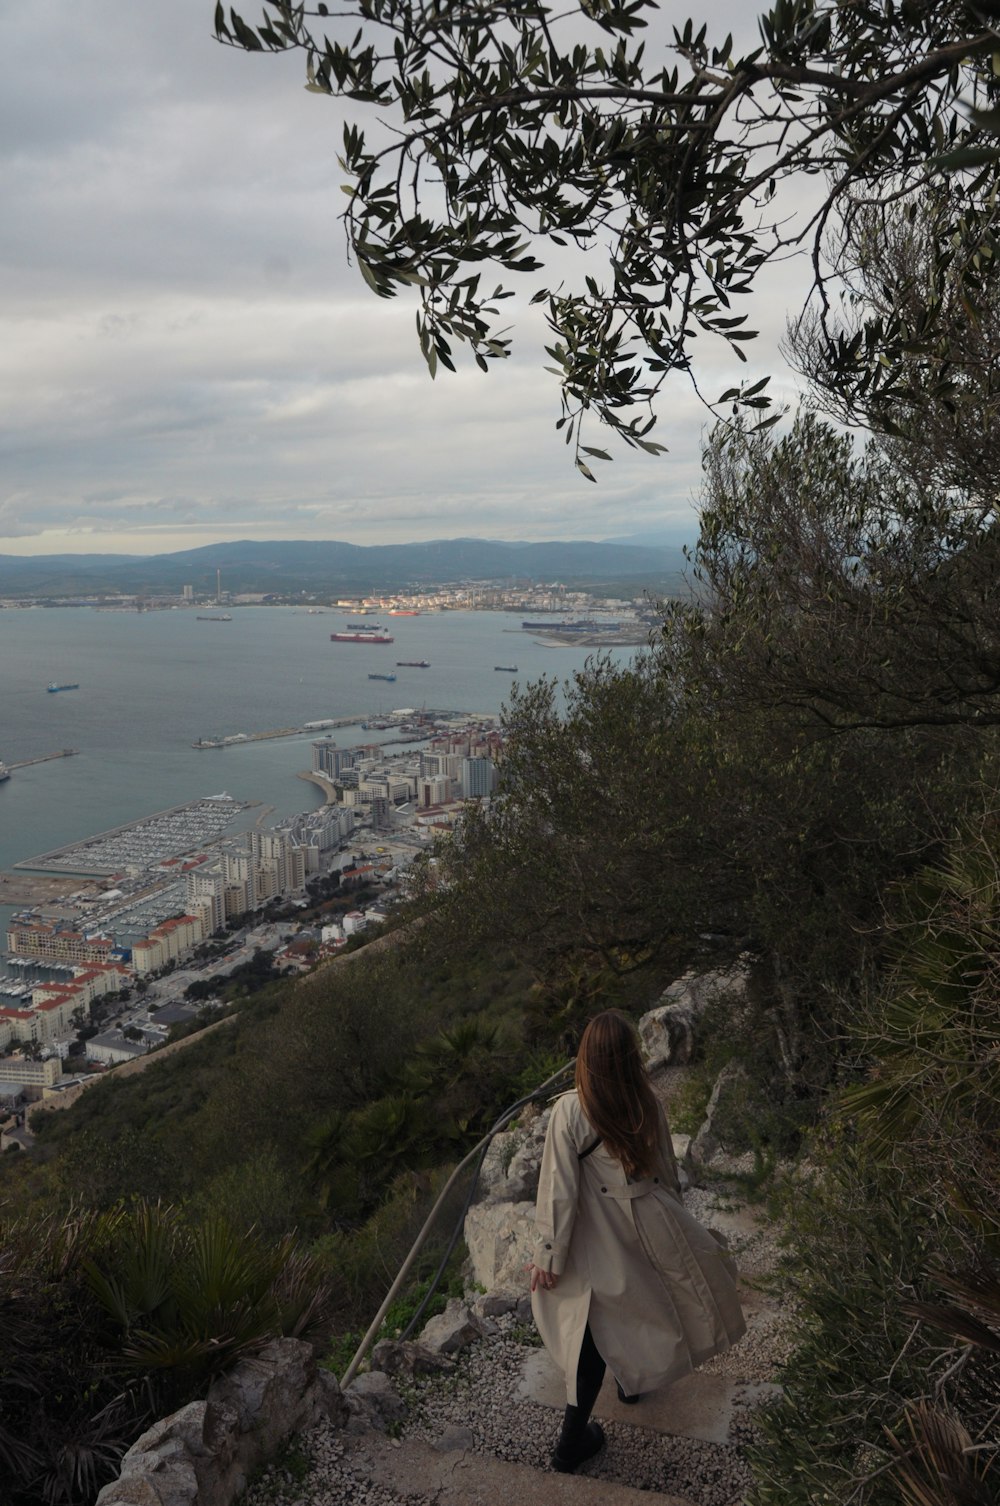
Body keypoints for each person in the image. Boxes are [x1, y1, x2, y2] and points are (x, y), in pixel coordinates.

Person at [528, 1009, 746, 1473]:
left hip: (601, 1230)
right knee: (647, 1299)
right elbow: (666, 1167)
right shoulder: (646, 1099)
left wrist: (549, 1253)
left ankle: (571, 1445)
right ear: (630, 1055)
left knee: (590, 1325)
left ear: (586, 1058)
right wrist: (676, 1218)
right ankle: (632, 1384)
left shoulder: (570, 1109)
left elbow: (560, 1192)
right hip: (652, 1214)